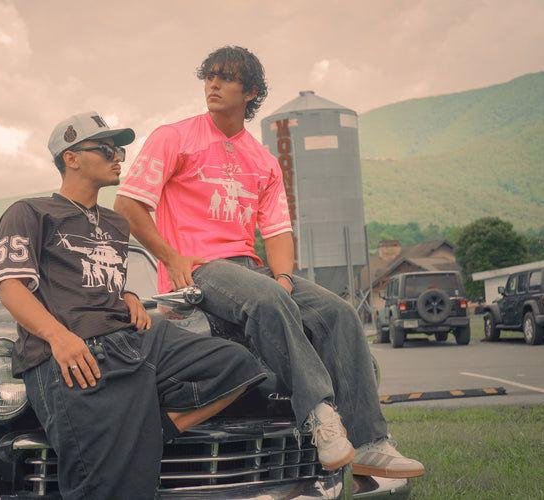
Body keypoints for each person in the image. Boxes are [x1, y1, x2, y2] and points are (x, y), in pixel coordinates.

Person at [114, 46, 425, 478]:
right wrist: (171, 256)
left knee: (338, 312)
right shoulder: (175, 138)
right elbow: (128, 205)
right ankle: (319, 414)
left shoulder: (263, 160)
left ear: (250, 92)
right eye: (209, 77)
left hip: (251, 268)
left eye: (225, 78)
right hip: (200, 268)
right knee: (265, 296)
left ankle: (371, 444)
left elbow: (277, 230)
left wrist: (282, 276)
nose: (213, 85)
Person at [0, 111, 267, 499]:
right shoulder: (31, 212)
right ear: (71, 158)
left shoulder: (116, 224)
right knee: (105, 487)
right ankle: (129, 445)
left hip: (132, 341)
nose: (118, 157)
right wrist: (58, 337)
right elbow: (11, 287)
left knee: (239, 364)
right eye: (106, 150)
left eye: (120, 150)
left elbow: (96, 282)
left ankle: (151, 433)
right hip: (75, 355)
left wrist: (127, 296)